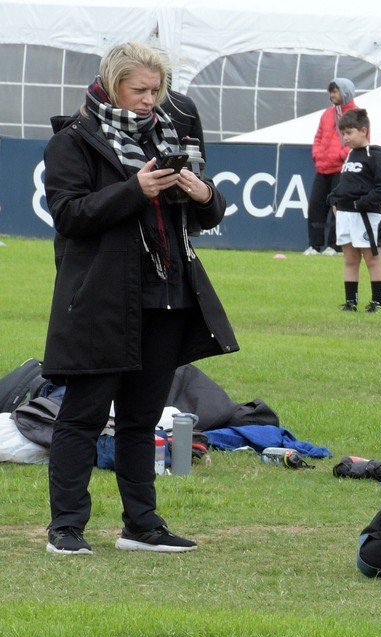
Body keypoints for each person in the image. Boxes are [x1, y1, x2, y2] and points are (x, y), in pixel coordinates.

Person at [41, 42, 236, 555]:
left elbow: (206, 214)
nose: (151, 101)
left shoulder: (169, 137)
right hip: (100, 299)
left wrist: (204, 195)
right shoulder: (72, 141)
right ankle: (66, 529)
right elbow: (69, 215)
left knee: (141, 418)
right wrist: (136, 188)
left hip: (167, 295)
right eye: (140, 90)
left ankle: (142, 525)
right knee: (82, 415)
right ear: (111, 84)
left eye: (157, 90)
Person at [330, 108, 381, 313]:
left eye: (349, 133)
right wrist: (334, 199)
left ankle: (378, 302)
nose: (345, 138)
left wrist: (362, 203)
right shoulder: (349, 156)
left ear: (364, 131)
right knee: (349, 260)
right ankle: (350, 302)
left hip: (366, 216)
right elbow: (345, 185)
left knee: (372, 259)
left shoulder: (375, 155)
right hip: (345, 217)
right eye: (343, 133)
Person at [305, 77, 358, 256]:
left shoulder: (357, 115)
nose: (332, 95)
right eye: (331, 92)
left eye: (335, 91)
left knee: (339, 208)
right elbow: (318, 137)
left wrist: (340, 156)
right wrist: (317, 155)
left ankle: (335, 247)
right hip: (323, 168)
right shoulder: (327, 114)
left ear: (345, 92)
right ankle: (315, 246)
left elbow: (358, 141)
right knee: (316, 207)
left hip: (342, 169)